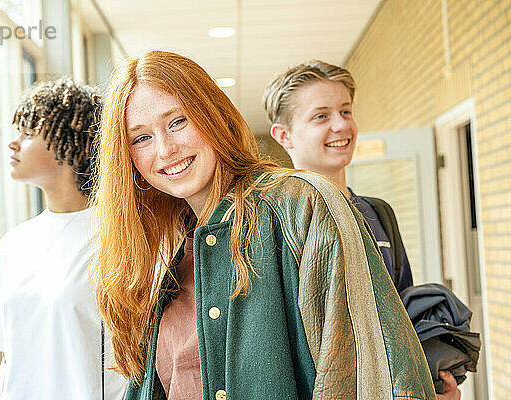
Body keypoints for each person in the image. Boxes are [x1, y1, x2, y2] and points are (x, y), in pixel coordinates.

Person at [93, 50, 436, 399]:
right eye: (141, 138)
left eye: (178, 121)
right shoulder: (159, 252)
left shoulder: (302, 205)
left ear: (213, 115)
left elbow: (367, 370)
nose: (165, 149)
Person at [263, 60, 460, 400]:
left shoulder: (378, 212)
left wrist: (428, 386)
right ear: (284, 136)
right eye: (321, 116)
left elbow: (402, 316)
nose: (341, 125)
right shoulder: (269, 222)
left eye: (346, 111)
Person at [0, 78, 127, 399]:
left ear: (72, 143)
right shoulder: (15, 243)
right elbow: (8, 360)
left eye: (29, 134)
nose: (13, 143)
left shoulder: (118, 238)